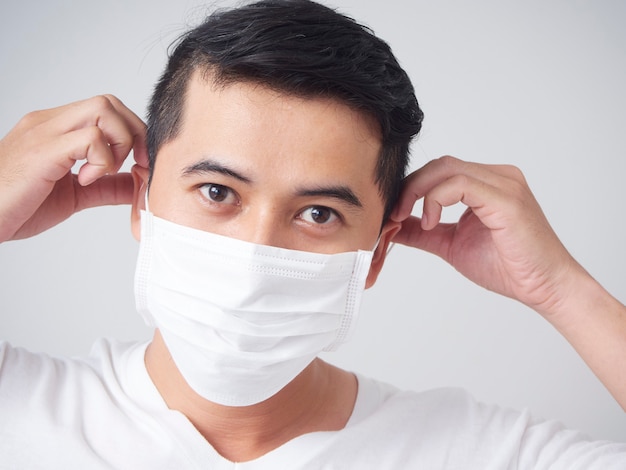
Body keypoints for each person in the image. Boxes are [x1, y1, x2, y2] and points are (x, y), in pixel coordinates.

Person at [0, 0, 624, 467]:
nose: (255, 254)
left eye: (318, 213)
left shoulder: (481, 454)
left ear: (376, 254)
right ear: (142, 203)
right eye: (218, 193)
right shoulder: (19, 409)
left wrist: (562, 290)